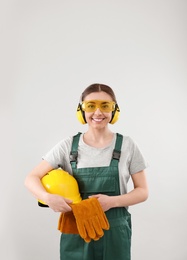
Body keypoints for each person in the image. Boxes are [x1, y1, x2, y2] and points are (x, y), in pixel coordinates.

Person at [24, 83, 149, 260]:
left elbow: (143, 191)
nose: (98, 113)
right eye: (91, 106)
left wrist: (111, 202)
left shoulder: (127, 145)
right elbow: (31, 178)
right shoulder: (68, 146)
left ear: (115, 111)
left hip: (115, 233)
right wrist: (47, 198)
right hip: (77, 231)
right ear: (81, 111)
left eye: (105, 106)